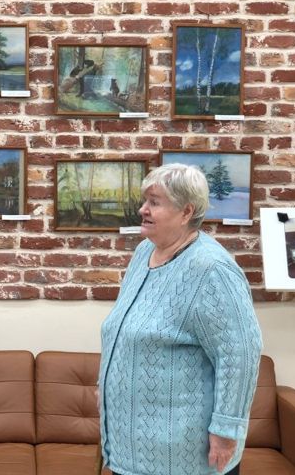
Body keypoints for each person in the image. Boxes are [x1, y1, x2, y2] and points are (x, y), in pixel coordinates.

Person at [98, 164, 262, 475]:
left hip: (182, 457)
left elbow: (240, 353)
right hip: (131, 452)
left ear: (186, 212)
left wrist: (227, 430)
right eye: (145, 200)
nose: (143, 209)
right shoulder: (144, 253)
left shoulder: (212, 269)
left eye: (154, 202)